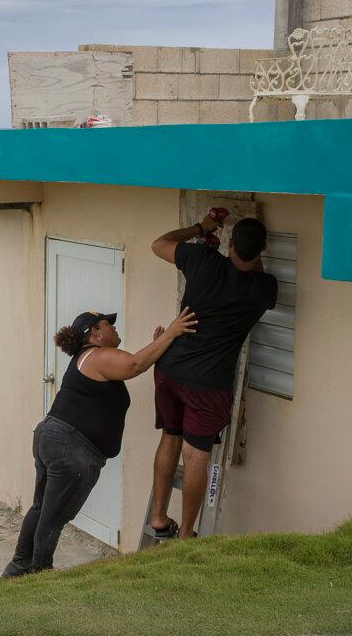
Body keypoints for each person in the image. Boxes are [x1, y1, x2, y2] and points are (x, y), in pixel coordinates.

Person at [2, 306, 198, 577]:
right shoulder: (96, 355)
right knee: (54, 516)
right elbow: (134, 365)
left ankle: (18, 568)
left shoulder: (89, 358)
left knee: (42, 507)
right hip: (70, 447)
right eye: (108, 324)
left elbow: (134, 362)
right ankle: (39, 572)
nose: (114, 328)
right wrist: (172, 333)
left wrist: (157, 345)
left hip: (54, 438)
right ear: (94, 333)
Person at [147, 211, 278, 540]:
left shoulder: (202, 259)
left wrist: (201, 227)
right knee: (195, 456)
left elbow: (159, 244)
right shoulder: (263, 290)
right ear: (262, 248)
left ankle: (160, 517)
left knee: (170, 438)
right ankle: (186, 534)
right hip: (208, 386)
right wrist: (253, 253)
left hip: (170, 368)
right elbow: (255, 274)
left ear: (230, 243)